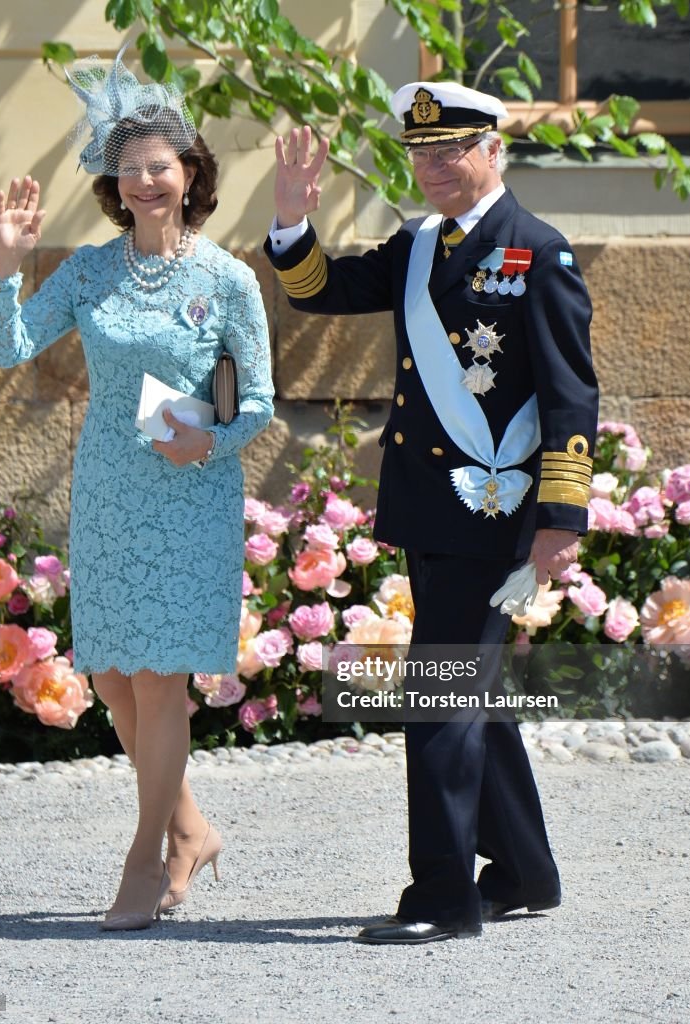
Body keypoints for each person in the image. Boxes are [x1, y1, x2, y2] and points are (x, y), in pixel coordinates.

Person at [265, 82, 598, 944]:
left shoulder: (537, 250)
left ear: (495, 149)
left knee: (439, 692)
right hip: (431, 506)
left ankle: (444, 896)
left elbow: (569, 395)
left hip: (498, 509)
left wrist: (561, 515)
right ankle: (524, 872)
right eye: (420, 153)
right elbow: (321, 291)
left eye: (451, 149)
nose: (434, 166)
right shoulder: (417, 245)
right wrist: (291, 221)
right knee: (467, 689)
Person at [0, 49, 274, 931]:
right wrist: (6, 266)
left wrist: (209, 443)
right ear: (113, 182)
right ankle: (191, 829)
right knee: (111, 677)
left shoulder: (225, 278)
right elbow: (7, 349)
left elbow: (256, 399)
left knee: (157, 683)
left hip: (190, 493)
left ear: (189, 175)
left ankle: (144, 860)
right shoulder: (91, 270)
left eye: (162, 165)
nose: (146, 180)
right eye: (130, 168)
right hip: (109, 491)